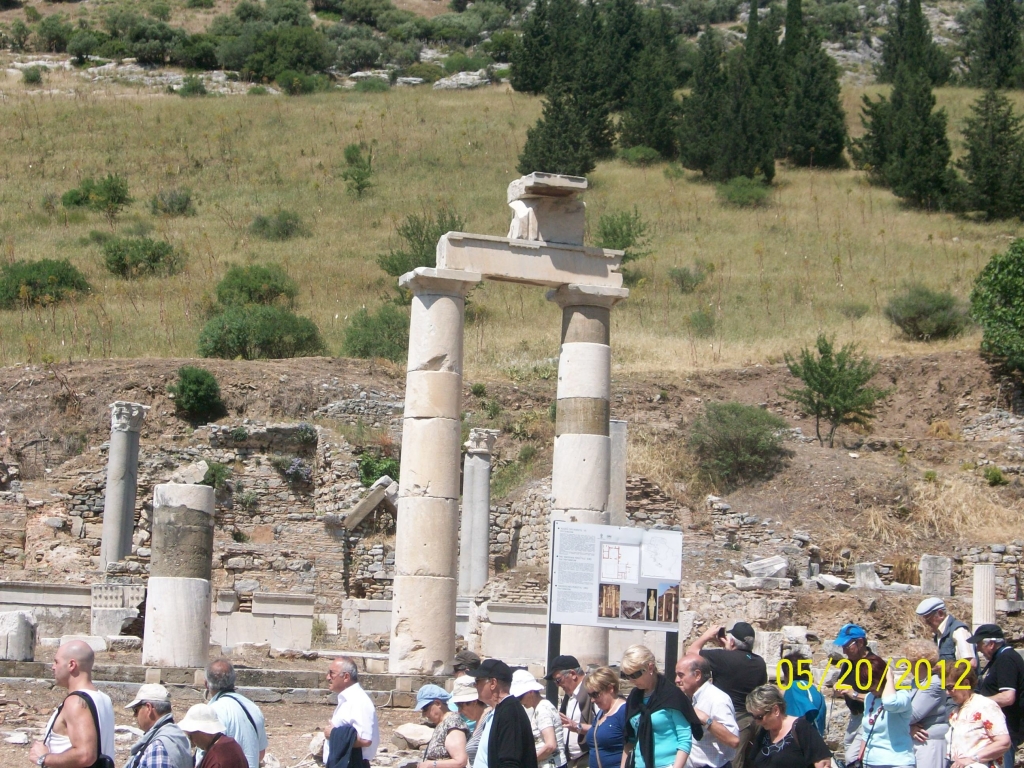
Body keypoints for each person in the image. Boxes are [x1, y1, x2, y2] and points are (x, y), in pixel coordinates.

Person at [687, 622, 766, 768]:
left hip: (731, 720)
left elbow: (691, 656)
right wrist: (727, 648)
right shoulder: (759, 662)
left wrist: (706, 636)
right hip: (753, 720)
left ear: (731, 641)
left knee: (732, 762)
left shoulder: (722, 658)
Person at [31, 639, 116, 768]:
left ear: (71, 664)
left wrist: (44, 758)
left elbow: (85, 755)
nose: (53, 667)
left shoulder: (76, 702)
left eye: (56, 662)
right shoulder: (104, 699)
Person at [621, 644, 702, 768]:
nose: (631, 680)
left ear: (650, 667)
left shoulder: (671, 696)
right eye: (627, 676)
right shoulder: (634, 697)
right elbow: (629, 739)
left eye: (635, 675)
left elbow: (685, 738)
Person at [969, 624, 1024, 768]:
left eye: (979, 644)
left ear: (991, 644)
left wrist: (976, 702)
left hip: (1005, 730)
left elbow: (1007, 697)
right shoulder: (999, 659)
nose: (979, 649)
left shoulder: (1006, 660)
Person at [467, 658, 537, 768]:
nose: (475, 685)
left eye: (478, 681)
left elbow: (509, 762)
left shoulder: (510, 712)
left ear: (493, 683)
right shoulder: (497, 711)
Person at [831, 623, 884, 765]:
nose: (844, 650)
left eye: (847, 646)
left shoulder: (874, 664)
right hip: (854, 717)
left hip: (869, 716)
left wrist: (853, 694)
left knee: (852, 757)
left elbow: (882, 698)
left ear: (860, 642)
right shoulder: (848, 664)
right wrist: (838, 688)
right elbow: (843, 683)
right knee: (849, 753)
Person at [675, 655, 740, 768]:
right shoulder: (687, 698)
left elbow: (733, 740)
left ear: (697, 675)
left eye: (681, 675)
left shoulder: (717, 699)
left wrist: (706, 720)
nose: (676, 680)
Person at [744, 685, 831, 768]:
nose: (757, 722)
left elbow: (823, 763)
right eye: (754, 717)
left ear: (776, 710)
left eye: (760, 717)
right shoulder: (764, 732)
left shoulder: (801, 728)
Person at [203, 659, 268, 768]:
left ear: (206, 684)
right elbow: (260, 754)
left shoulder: (212, 711)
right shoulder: (253, 707)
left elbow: (204, 756)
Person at [947, 666, 1011, 768]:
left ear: (966, 684)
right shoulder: (956, 712)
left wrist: (973, 759)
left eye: (950, 687)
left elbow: (1003, 742)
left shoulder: (985, 706)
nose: (947, 692)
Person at [858, 655, 915, 768]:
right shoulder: (870, 698)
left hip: (898, 762)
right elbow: (867, 730)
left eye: (872, 683)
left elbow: (890, 703)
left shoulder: (902, 696)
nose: (869, 688)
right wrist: (860, 756)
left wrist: (890, 678)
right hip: (871, 761)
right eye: (866, 684)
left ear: (882, 677)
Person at [324, 657, 380, 767]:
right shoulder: (348, 699)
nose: (327, 677)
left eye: (332, 673)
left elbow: (365, 740)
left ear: (346, 677)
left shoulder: (359, 701)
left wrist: (333, 734)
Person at [902, 641, 949, 768]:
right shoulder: (916, 682)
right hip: (918, 740)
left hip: (930, 741)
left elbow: (912, 715)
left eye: (909, 661)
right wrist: (908, 728)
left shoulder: (934, 683)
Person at [123, 684, 193, 768]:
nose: (134, 715)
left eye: (136, 710)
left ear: (148, 708)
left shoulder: (158, 747)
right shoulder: (176, 735)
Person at [513, 670, 567, 768]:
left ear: (531, 692)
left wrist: (529, 761)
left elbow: (550, 745)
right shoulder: (542, 706)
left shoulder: (542, 710)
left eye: (520, 697)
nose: (520, 702)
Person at [549, 656, 594, 768]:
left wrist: (577, 727)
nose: (557, 684)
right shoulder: (569, 695)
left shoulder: (592, 690)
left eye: (558, 680)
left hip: (587, 757)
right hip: (571, 760)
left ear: (573, 674)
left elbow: (604, 725)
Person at [580, 667, 627, 768]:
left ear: (610, 688)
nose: (592, 700)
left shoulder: (623, 711)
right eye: (590, 695)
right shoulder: (602, 712)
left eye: (595, 694)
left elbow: (631, 745)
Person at [416, 684, 469, 768]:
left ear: (438, 703)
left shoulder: (453, 723)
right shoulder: (443, 723)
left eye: (425, 709)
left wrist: (430, 764)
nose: (424, 714)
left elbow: (460, 761)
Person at [178, 704, 248, 768]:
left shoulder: (217, 760)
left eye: (191, 736)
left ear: (202, 731)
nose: (192, 742)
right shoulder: (232, 744)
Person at [916, 598, 977, 667]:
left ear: (941, 614)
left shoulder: (959, 631)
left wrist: (943, 667)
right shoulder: (939, 634)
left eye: (928, 619)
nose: (926, 623)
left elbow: (971, 663)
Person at [776, 653, 825, 737]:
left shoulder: (794, 687)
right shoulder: (814, 688)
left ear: (788, 673)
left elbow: (797, 719)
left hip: (801, 743)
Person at [451, 676, 490, 766]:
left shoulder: (489, 719)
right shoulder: (479, 722)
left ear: (473, 702)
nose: (459, 711)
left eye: (461, 706)